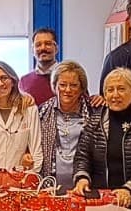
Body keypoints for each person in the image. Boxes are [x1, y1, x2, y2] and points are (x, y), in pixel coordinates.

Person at [71, 69, 131, 211]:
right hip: (99, 201)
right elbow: (82, 155)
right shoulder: (95, 120)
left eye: (121, 89)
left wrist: (130, 189)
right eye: (110, 90)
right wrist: (82, 178)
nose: (115, 95)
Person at [37, 61, 98, 192]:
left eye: (74, 85)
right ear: (54, 86)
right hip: (49, 186)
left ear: (82, 88)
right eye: (63, 85)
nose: (68, 90)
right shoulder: (41, 111)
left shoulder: (94, 111)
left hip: (86, 184)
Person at [21, 27, 60, 105]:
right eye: (38, 45)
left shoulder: (69, 77)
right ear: (33, 50)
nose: (43, 48)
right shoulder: (24, 82)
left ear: (56, 48)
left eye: (48, 44)